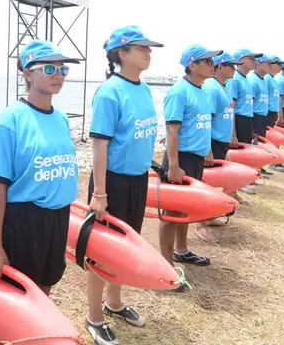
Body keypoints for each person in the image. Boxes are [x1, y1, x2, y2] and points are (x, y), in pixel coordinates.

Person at [0, 40, 79, 298]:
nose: (58, 75)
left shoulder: (61, 118)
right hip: (24, 219)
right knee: (15, 291)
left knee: (46, 283)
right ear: (27, 73)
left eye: (62, 69)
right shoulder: (11, 119)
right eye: (48, 69)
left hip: (58, 216)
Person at [84, 25, 163, 345]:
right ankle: (94, 317)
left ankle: (114, 303)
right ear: (122, 53)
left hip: (137, 179)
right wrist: (99, 193)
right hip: (112, 183)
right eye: (141, 48)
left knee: (126, 247)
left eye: (149, 48)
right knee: (102, 251)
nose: (149, 52)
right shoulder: (109, 92)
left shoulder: (142, 88)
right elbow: (99, 147)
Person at [158, 45, 222, 286]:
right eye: (207, 61)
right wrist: (173, 165)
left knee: (186, 208)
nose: (212, 65)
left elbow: (202, 125)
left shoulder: (203, 91)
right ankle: (166, 262)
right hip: (180, 158)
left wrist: (206, 150)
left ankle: (181, 250)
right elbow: (172, 131)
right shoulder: (179, 92)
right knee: (171, 212)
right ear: (192, 65)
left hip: (195, 158)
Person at [200, 52, 243, 207]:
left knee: (217, 180)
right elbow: (207, 120)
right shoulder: (212, 88)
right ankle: (204, 220)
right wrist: (208, 149)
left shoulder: (223, 87)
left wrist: (232, 135)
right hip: (213, 141)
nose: (234, 68)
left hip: (222, 141)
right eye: (231, 65)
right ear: (219, 67)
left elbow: (229, 114)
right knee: (209, 181)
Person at [228, 49, 263, 193]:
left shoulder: (246, 79)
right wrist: (233, 132)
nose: (255, 61)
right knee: (236, 153)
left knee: (245, 153)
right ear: (241, 60)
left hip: (247, 119)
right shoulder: (234, 79)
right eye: (251, 58)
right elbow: (231, 108)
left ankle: (242, 180)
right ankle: (236, 184)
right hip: (239, 120)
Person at [265, 56, 284, 172]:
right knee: (266, 139)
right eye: (278, 64)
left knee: (272, 138)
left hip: (272, 112)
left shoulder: (273, 79)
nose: (280, 67)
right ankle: (269, 162)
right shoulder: (267, 78)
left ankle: (270, 161)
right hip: (267, 112)